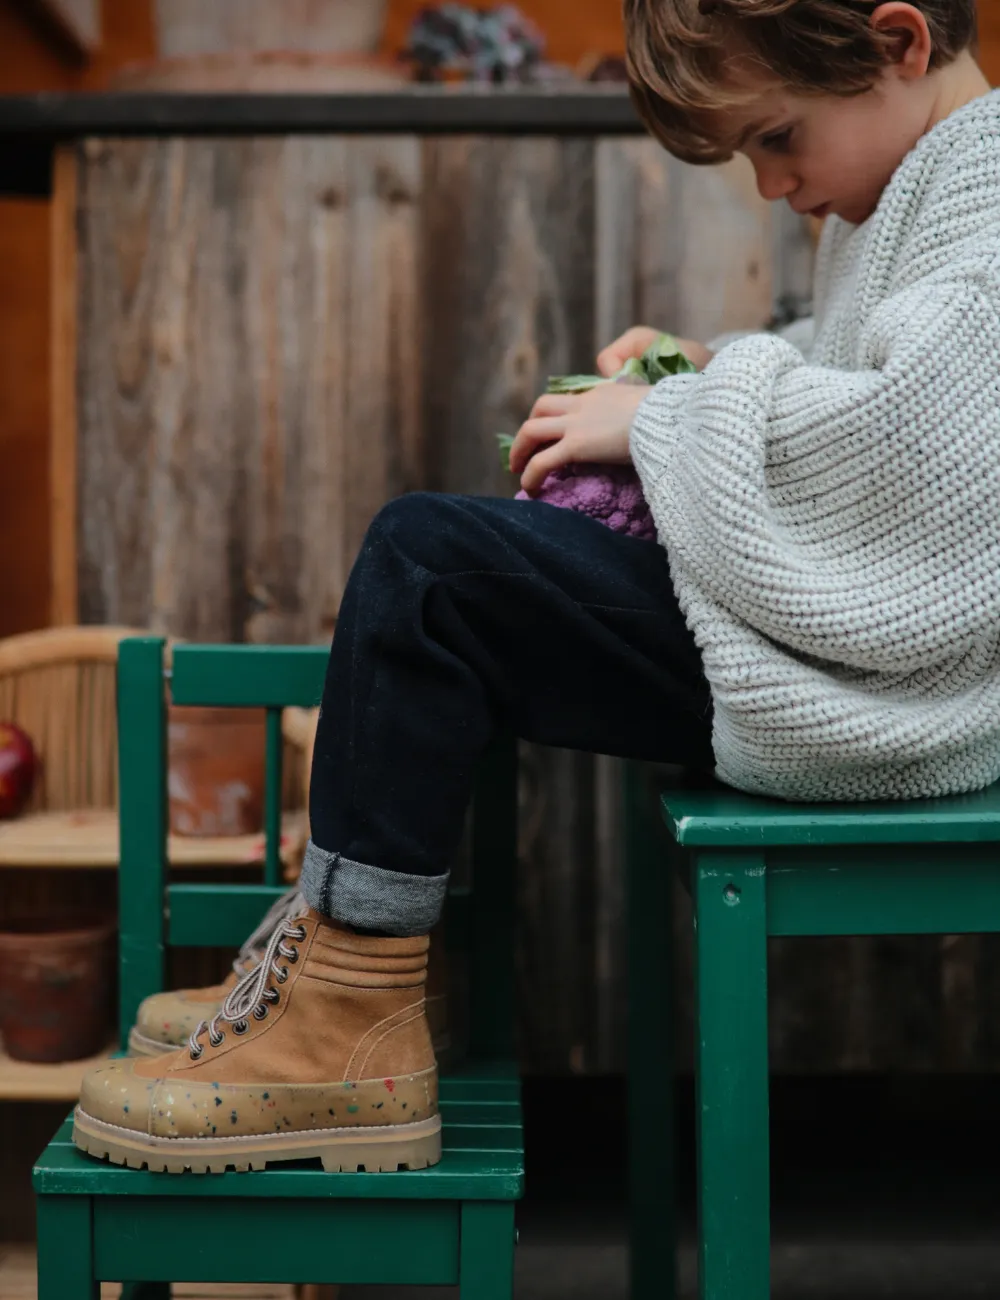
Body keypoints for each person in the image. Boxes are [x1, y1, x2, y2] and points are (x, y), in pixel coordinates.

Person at [73, 0, 998, 1173]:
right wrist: (706, 366)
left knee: (431, 567)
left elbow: (916, 464)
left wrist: (666, 414)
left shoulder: (988, 202)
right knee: (444, 572)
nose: (769, 186)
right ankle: (342, 964)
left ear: (897, 42)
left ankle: (351, 1008)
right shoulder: (927, 179)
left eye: (774, 136)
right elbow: (867, 377)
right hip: (830, 644)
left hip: (881, 684)